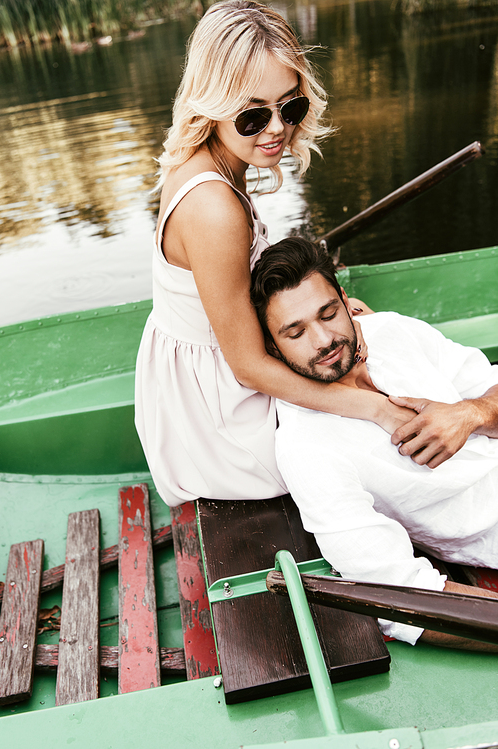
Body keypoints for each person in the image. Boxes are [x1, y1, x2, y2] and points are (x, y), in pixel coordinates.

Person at [134, 0, 460, 509]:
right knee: (392, 429)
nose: (277, 129)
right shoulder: (213, 208)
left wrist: (331, 306)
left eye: (290, 107)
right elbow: (246, 367)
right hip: (222, 420)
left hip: (220, 371)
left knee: (383, 348)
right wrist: (374, 410)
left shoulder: (211, 162)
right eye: (252, 114)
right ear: (212, 102)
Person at [250, 236, 498, 648]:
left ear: (347, 303)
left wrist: (472, 413)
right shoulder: (306, 448)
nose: (323, 340)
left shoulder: (392, 330)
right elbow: (399, 597)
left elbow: (489, 385)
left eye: (328, 314)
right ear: (273, 350)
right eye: (296, 332)